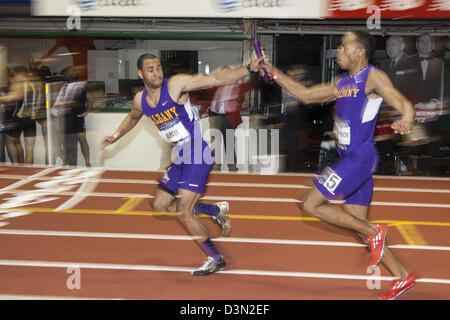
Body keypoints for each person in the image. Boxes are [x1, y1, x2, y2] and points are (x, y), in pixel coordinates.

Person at [260, 31, 417, 300]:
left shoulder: (372, 76)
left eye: (344, 47)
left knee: (310, 204)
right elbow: (307, 95)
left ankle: (375, 231)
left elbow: (403, 102)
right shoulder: (342, 82)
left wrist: (407, 119)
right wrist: (273, 71)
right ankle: (403, 275)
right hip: (349, 159)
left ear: (360, 52)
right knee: (358, 227)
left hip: (359, 158)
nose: (339, 52)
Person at [101, 53, 261, 275]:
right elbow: (134, 116)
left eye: (158, 68)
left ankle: (216, 258)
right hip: (180, 157)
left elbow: (214, 79)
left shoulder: (175, 85)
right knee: (159, 205)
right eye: (150, 69)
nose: (156, 73)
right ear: (140, 73)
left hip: (197, 153)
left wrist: (247, 68)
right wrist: (115, 135)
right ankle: (214, 209)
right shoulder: (141, 99)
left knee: (184, 213)